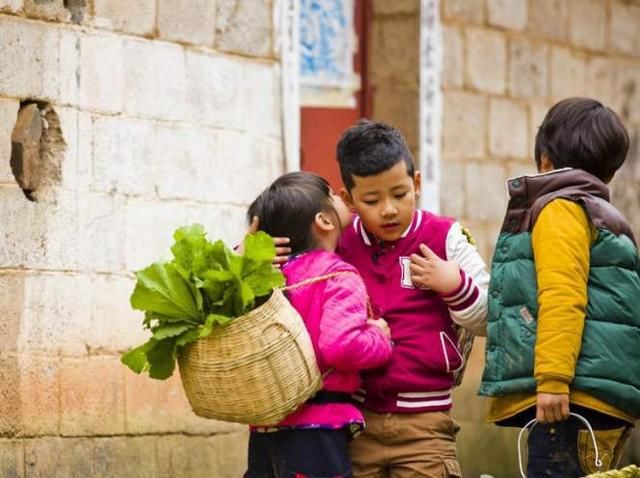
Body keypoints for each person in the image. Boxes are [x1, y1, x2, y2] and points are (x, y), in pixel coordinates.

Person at [478, 97, 640, 477]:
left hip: (569, 401)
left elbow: (562, 296)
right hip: (596, 397)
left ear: (546, 160)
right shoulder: (605, 218)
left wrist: (553, 381)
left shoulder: (560, 209)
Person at [335, 120, 490, 477]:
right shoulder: (342, 242)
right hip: (356, 421)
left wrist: (454, 285)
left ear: (416, 184)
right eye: (371, 200)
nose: (388, 209)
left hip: (426, 427)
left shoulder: (445, 236)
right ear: (349, 200)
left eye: (399, 194)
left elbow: (488, 316)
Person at [244, 171, 394, 478]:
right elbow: (341, 346)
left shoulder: (264, 278)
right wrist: (380, 338)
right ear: (324, 221)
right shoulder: (337, 275)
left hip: (264, 429)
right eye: (333, 195)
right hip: (316, 431)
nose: (341, 197)